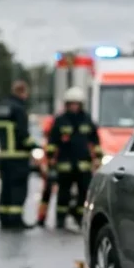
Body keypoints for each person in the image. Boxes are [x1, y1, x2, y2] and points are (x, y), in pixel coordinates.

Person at [47, 87, 101, 228]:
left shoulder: (87, 119)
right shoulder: (60, 120)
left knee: (84, 194)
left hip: (83, 165)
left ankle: (80, 217)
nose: (74, 106)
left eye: (76, 103)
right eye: (71, 103)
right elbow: (52, 142)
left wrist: (98, 158)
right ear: (67, 104)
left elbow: (95, 141)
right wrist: (51, 157)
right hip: (65, 165)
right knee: (63, 194)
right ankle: (60, 219)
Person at [0, 80, 38, 228]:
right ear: (22, 92)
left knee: (5, 189)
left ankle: (4, 219)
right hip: (18, 158)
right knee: (18, 189)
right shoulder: (19, 109)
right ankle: (16, 220)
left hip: (3, 157)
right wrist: (36, 146)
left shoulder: (2, 108)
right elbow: (23, 136)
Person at [35, 113, 58, 228]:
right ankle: (41, 217)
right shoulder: (47, 142)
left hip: (59, 167)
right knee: (46, 194)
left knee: (48, 194)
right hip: (51, 169)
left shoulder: (56, 139)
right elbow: (44, 158)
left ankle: (42, 217)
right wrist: (44, 169)